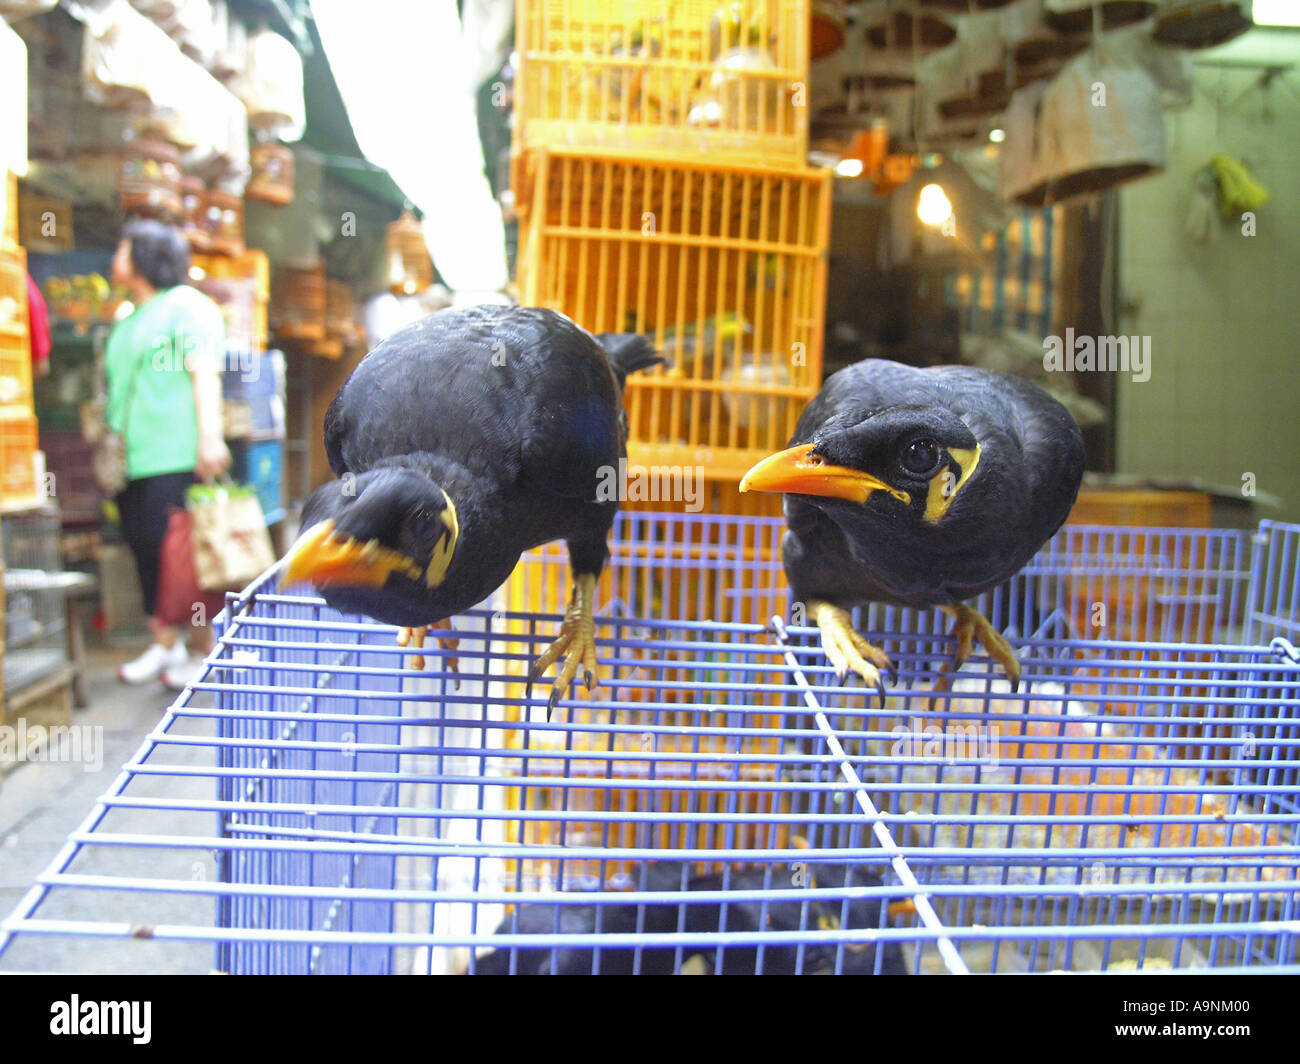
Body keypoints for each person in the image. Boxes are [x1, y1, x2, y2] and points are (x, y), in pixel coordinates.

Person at [106, 219, 231, 690]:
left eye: (123, 248)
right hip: (132, 458)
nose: (115, 257)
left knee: (183, 557)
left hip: (175, 452)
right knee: (144, 549)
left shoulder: (187, 307)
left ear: (144, 255)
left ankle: (203, 648)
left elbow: (204, 373)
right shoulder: (131, 315)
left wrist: (210, 437)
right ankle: (164, 643)